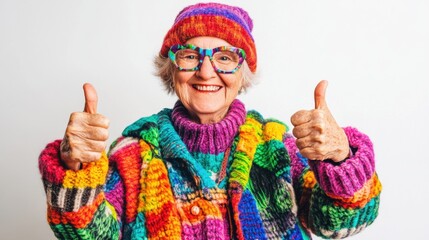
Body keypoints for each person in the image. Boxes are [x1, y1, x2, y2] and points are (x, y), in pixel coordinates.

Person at [39, 2, 381, 239]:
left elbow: (339, 225)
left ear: (243, 71)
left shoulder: (276, 146)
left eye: (224, 57)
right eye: (190, 55)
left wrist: (341, 160)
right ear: (172, 67)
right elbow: (82, 234)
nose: (206, 71)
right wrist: (76, 170)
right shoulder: (133, 154)